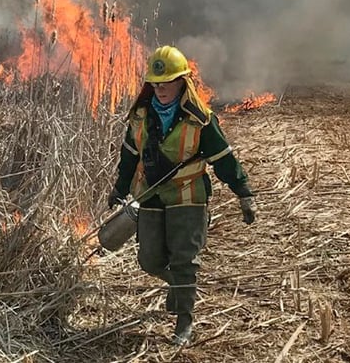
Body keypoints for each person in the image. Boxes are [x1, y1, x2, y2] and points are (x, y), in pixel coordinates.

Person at [106, 45, 257, 346]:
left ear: (182, 81)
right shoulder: (140, 116)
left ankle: (184, 320)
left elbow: (224, 159)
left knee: (185, 259)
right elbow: (128, 155)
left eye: (168, 82)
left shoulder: (199, 118)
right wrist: (120, 188)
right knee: (149, 260)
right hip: (149, 195)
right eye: (156, 84)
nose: (161, 89)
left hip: (187, 197)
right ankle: (180, 285)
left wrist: (243, 193)